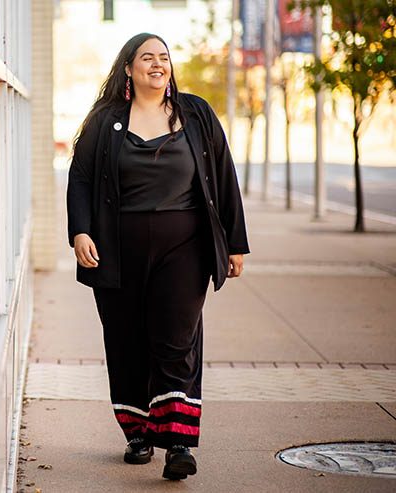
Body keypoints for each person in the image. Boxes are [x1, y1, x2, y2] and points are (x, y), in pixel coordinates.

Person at [66, 33, 249, 481]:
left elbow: (223, 173)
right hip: (118, 248)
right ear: (128, 68)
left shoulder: (196, 114)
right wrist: (80, 232)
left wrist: (235, 243)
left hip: (184, 246)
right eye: (146, 57)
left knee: (176, 337)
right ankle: (139, 432)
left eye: (163, 57)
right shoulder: (105, 121)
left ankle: (179, 441)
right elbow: (82, 179)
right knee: (126, 338)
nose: (157, 63)